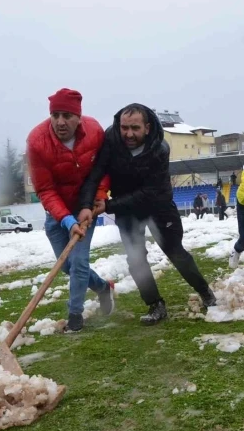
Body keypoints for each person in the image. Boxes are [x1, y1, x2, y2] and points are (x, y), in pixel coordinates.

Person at [79, 103, 217, 326]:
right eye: (125, 128)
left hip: (158, 204)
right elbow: (96, 173)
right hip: (126, 208)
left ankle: (206, 294)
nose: (129, 134)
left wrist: (110, 205)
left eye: (135, 128)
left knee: (176, 253)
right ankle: (155, 305)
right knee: (135, 259)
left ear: (147, 127)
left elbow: (151, 192)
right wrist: (87, 204)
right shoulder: (111, 139)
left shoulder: (159, 149)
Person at [27, 88, 115, 332]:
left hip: (85, 209)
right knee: (66, 265)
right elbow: (44, 189)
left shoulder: (94, 131)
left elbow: (103, 170)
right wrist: (65, 219)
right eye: (55, 115)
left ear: (78, 116)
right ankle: (102, 287)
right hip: (55, 213)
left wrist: (96, 199)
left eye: (66, 115)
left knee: (78, 262)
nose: (60, 122)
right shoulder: (37, 141)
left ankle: (75, 316)